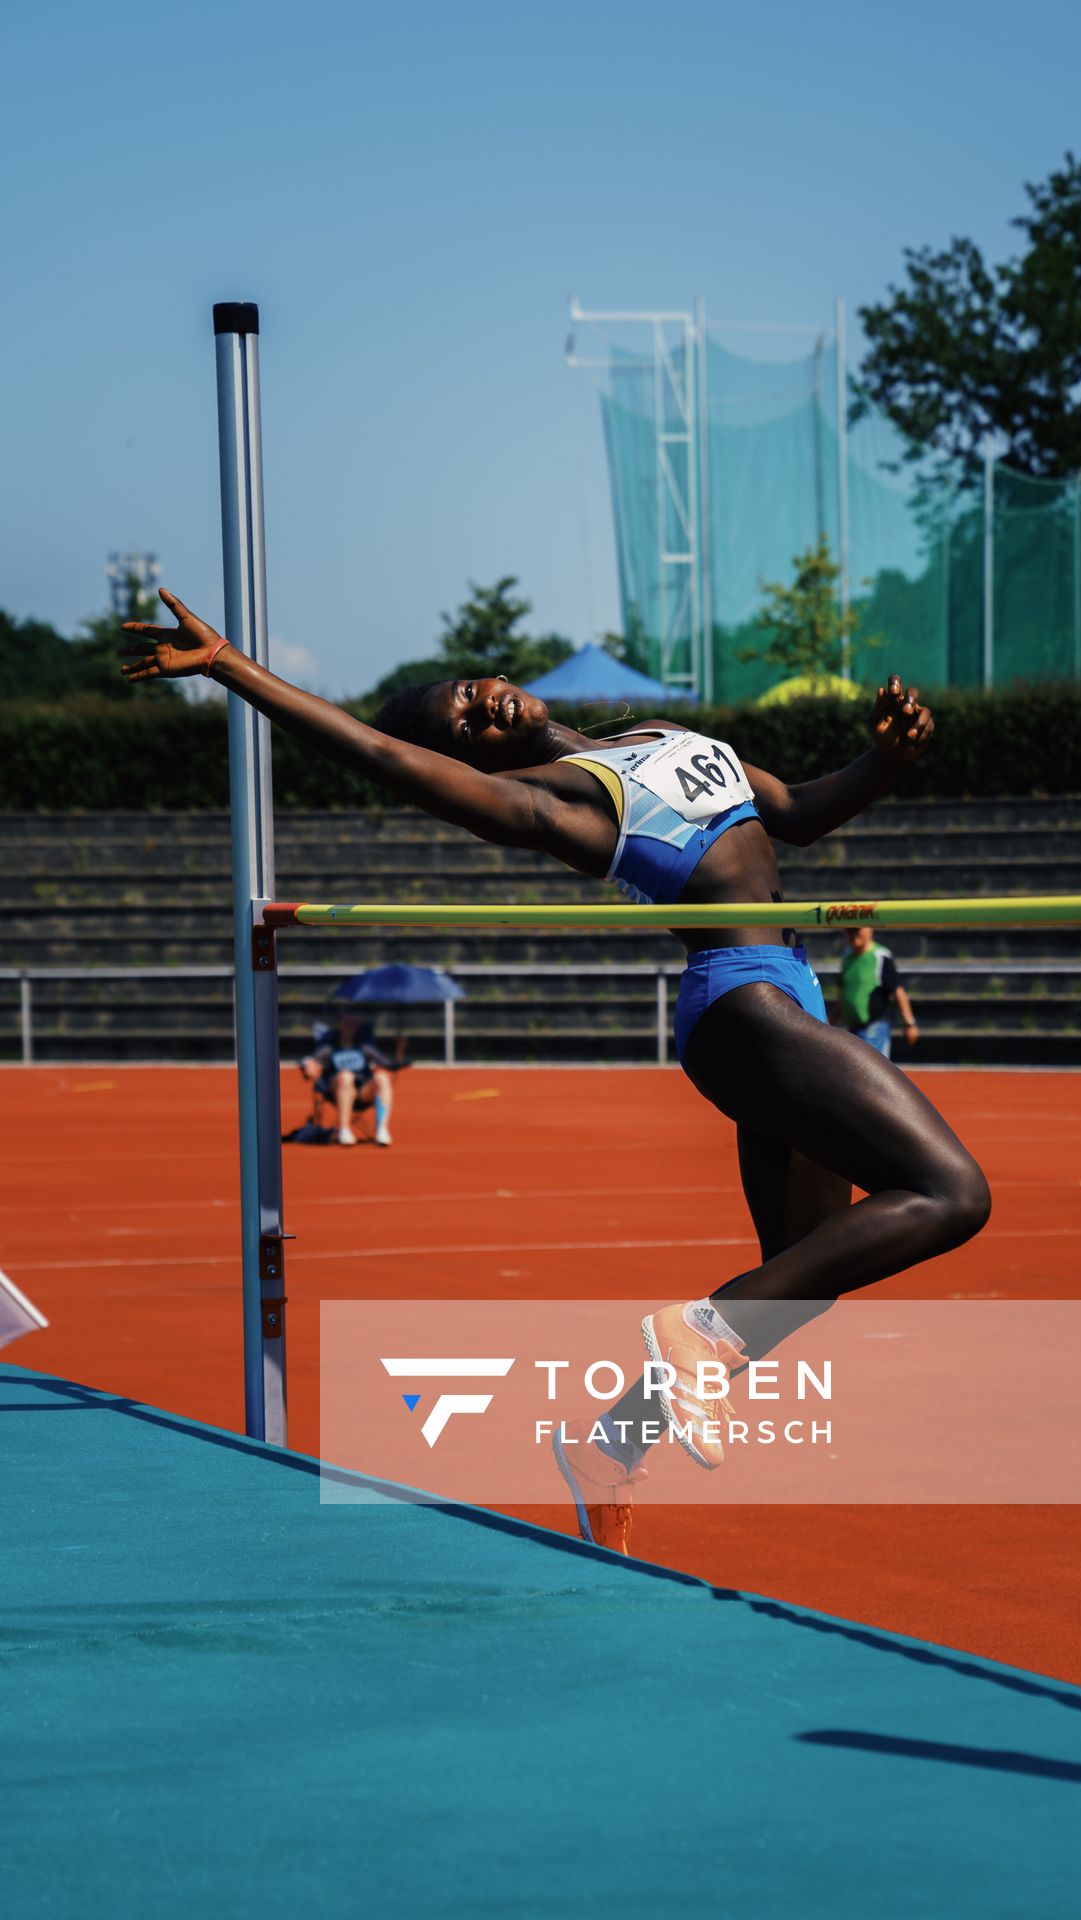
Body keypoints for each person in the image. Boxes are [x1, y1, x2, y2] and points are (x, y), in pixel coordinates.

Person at [121, 591, 991, 1554]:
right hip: (745, 1009)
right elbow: (382, 755)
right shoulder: (556, 801)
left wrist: (887, 761)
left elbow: (792, 812)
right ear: (473, 762)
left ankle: (608, 1443)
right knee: (951, 1192)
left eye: (471, 689)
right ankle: (702, 1334)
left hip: (788, 989)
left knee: (810, 1266)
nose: (481, 705)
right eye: (461, 724)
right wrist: (230, 668)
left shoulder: (659, 733)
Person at [300, 1008, 403, 1146]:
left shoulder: (364, 1047)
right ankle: (344, 1130)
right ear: (339, 1024)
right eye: (348, 1024)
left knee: (382, 1077)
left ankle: (382, 1130)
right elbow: (311, 1060)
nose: (351, 1028)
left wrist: (400, 1049)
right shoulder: (329, 1048)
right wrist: (307, 1064)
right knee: (346, 1076)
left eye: (354, 1025)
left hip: (361, 1092)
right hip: (337, 1090)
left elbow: (390, 1064)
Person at [838, 925, 920, 1059]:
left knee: (870, 1074)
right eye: (849, 931)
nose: (853, 935)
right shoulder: (847, 957)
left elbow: (898, 991)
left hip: (874, 1029)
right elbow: (843, 995)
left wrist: (910, 1023)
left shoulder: (880, 957)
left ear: (869, 930)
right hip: (852, 1028)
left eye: (857, 930)